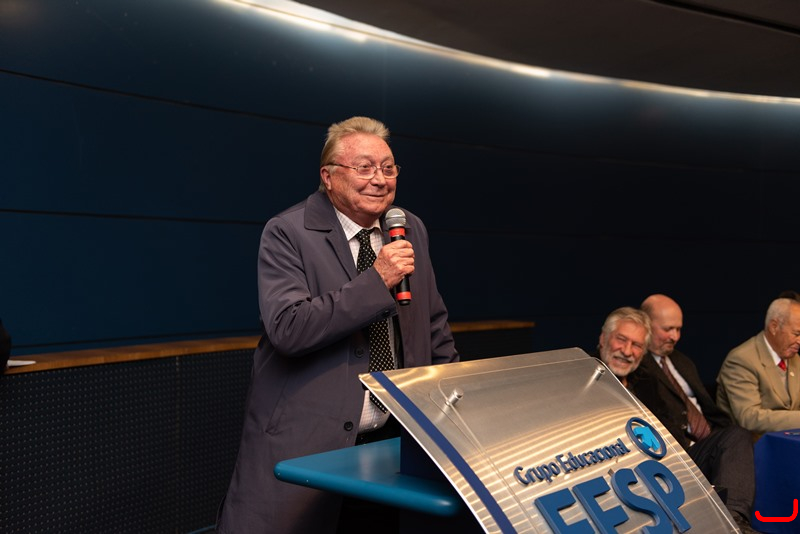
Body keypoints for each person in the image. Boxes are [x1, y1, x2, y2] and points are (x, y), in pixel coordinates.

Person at [216, 116, 459, 534]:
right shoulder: (288, 232)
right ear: (328, 177)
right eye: (364, 168)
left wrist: (452, 407)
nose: (379, 179)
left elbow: (433, 325)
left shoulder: (408, 228)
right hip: (311, 443)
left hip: (394, 443)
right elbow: (288, 329)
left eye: (388, 168)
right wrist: (377, 281)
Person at [637, 294, 755, 532]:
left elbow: (707, 408)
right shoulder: (638, 366)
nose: (675, 337)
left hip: (707, 441)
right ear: (646, 325)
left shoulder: (681, 361)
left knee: (738, 436)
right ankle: (732, 524)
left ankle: (733, 522)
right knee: (736, 437)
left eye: (679, 329)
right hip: (676, 450)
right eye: (668, 329)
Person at [716, 297, 800, 436]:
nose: (799, 341)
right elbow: (749, 418)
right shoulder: (742, 360)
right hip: (751, 443)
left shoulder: (794, 358)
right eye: (796, 334)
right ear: (774, 327)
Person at [595, 307, 651, 389]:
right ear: (603, 339)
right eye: (621, 340)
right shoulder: (580, 374)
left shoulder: (648, 382)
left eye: (636, 345)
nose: (627, 352)